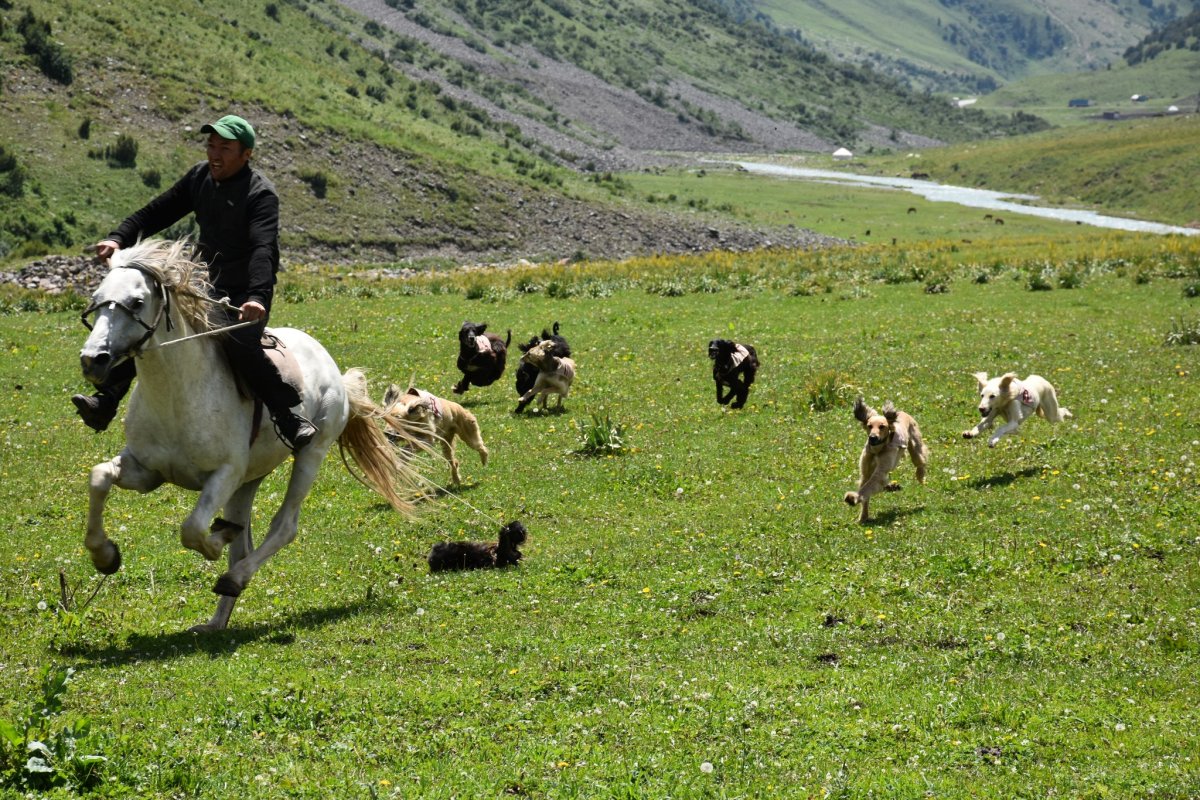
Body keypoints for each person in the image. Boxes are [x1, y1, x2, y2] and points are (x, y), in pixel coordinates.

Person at [73, 114, 317, 451]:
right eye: (211, 145)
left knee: (240, 343)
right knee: (148, 324)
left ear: (246, 154)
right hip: (202, 284)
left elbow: (264, 250)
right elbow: (158, 211)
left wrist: (257, 296)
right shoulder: (200, 177)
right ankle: (107, 400)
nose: (214, 154)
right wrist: (119, 238)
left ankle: (287, 416)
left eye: (225, 148)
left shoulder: (260, 194)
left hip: (245, 294)